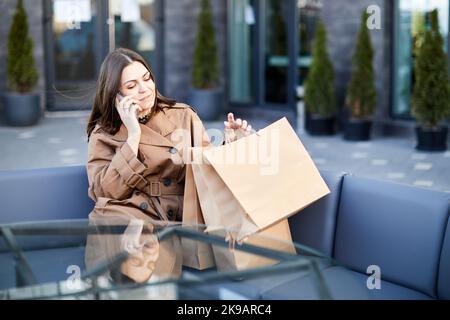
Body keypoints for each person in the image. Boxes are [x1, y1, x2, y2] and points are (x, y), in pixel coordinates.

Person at [84, 48, 253, 283]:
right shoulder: (104, 133)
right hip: (129, 210)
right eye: (131, 86)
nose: (144, 89)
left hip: (177, 215)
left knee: (147, 261)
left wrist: (233, 143)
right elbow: (104, 192)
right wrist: (133, 135)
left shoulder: (182, 115)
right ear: (116, 95)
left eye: (147, 79)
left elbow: (207, 170)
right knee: (112, 232)